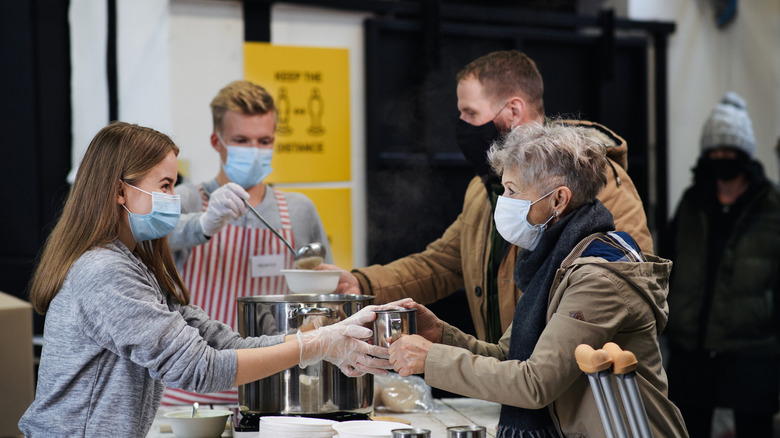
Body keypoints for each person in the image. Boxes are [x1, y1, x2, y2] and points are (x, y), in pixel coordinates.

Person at [18, 122, 392, 437]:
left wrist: (320, 340)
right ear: (119, 191)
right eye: (164, 186)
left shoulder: (135, 266)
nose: (172, 198)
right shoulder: (104, 272)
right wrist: (313, 345)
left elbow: (223, 342)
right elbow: (199, 367)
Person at [323, 50, 652, 343]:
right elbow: (442, 264)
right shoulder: (485, 188)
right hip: (506, 384)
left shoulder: (596, 182)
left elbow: (631, 289)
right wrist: (360, 283)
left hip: (566, 393)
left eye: (471, 113)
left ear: (513, 110)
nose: (462, 125)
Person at [387, 123, 687, 437]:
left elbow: (535, 383)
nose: (504, 201)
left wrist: (431, 359)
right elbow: (508, 357)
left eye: (513, 191)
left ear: (558, 200)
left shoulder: (598, 277)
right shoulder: (555, 260)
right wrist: (442, 336)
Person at [164, 80, 333, 404]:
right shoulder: (184, 201)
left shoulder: (298, 210)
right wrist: (203, 223)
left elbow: (322, 296)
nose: (254, 151)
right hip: (191, 392)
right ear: (217, 141)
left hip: (275, 391)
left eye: (264, 141)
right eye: (241, 141)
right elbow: (139, 248)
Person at [662, 92, 780, 438]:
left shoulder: (772, 207)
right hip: (691, 349)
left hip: (753, 350)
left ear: (745, 154)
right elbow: (668, 261)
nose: (722, 158)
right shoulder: (692, 202)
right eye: (715, 151)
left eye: (730, 151)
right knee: (687, 429)